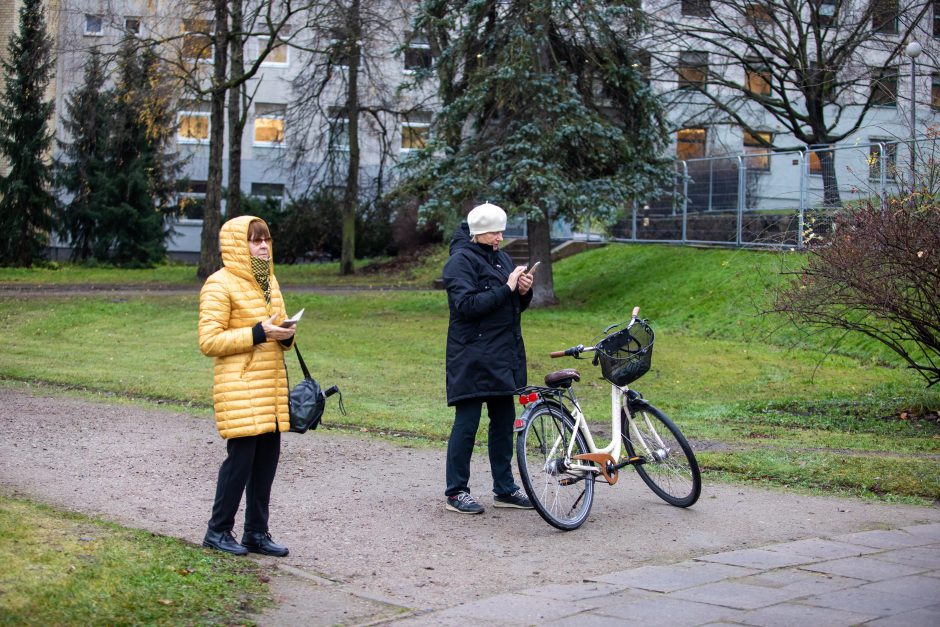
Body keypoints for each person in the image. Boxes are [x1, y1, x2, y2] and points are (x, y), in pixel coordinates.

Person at [198, 216, 295, 556]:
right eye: (256, 241)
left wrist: (286, 335)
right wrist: (258, 332)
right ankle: (218, 531)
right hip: (240, 387)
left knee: (267, 463)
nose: (264, 246)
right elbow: (209, 341)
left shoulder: (269, 281)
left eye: (266, 239)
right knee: (239, 463)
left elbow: (275, 330)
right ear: (239, 245)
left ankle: (256, 532)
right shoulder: (219, 284)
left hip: (270, 386)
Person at [442, 202, 535, 514]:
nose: (500, 238)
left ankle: (505, 488)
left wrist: (522, 291)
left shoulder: (500, 259)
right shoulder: (459, 262)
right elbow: (466, 306)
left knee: (503, 423)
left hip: (500, 356)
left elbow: (509, 307)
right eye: (495, 232)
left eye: (502, 232)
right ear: (479, 233)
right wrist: (508, 287)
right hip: (470, 357)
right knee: (466, 424)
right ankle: (456, 491)